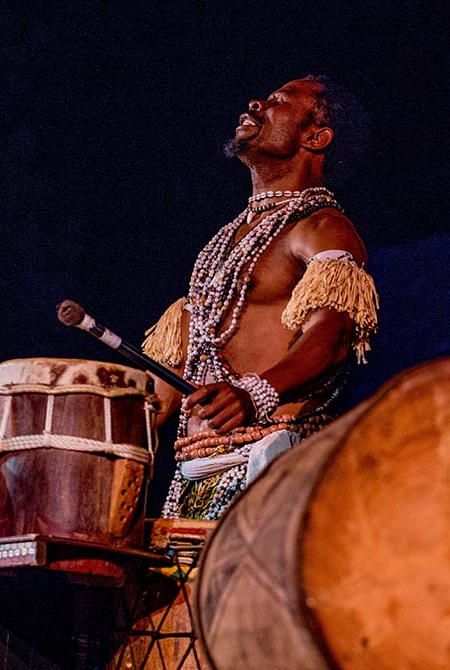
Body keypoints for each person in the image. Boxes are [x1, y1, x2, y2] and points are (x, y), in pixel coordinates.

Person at [145, 75, 379, 519]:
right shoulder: (222, 248)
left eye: (279, 101)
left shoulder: (323, 228)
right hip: (194, 480)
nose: (257, 102)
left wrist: (255, 393)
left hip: (275, 471)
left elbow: (332, 335)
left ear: (315, 136)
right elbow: (163, 390)